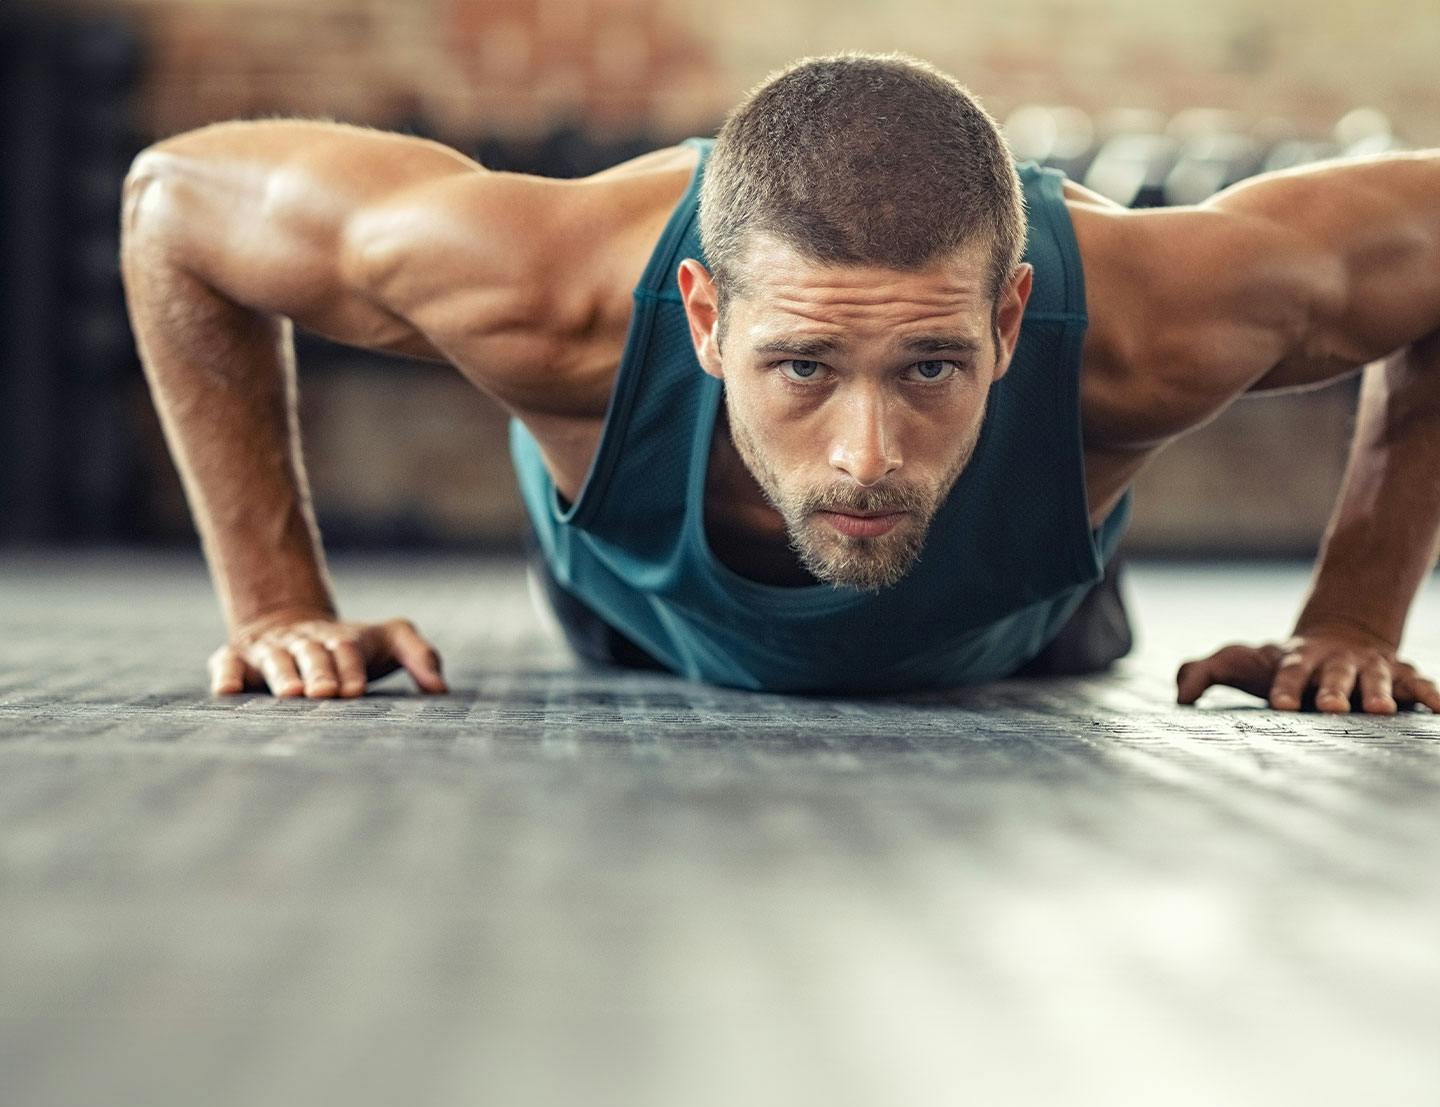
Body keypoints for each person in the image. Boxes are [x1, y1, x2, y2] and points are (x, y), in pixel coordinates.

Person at [121, 52, 1440, 713]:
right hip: (641, 621)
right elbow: (172, 204)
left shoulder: (1152, 324)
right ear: (702, 315)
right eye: (802, 364)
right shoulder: (546, 297)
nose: (867, 451)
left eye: (932, 363)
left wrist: (1359, 619)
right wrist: (278, 603)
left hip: (1022, 634)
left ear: (1012, 313)